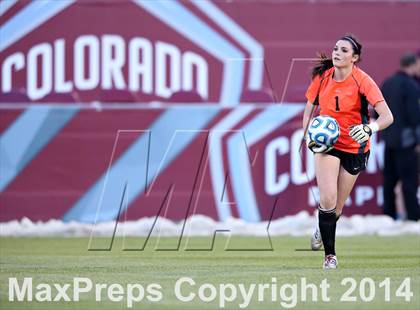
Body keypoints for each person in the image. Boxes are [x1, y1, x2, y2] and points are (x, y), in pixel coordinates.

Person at [302, 34, 394, 269]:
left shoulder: (363, 81)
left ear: (355, 58)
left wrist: (370, 128)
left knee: (337, 207)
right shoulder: (322, 78)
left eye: (344, 50)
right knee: (327, 199)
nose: (336, 53)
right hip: (327, 144)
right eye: (335, 49)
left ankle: (322, 229)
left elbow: (387, 117)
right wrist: (307, 135)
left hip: (355, 146)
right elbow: (309, 110)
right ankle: (330, 256)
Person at [380, 52, 420, 221]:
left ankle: (388, 216)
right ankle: (413, 218)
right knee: (409, 182)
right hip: (407, 142)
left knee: (389, 181)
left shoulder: (387, 84)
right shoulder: (411, 86)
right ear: (413, 64)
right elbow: (415, 116)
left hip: (389, 140)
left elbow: (377, 114)